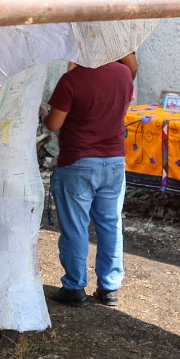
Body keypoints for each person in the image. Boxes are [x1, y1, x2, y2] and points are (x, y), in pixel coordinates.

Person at [43, 52, 137, 307]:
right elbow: (121, 111)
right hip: (115, 161)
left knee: (76, 226)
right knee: (110, 224)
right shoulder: (124, 75)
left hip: (78, 162)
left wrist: (43, 113)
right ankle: (109, 287)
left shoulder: (72, 80)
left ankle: (75, 286)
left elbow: (53, 124)